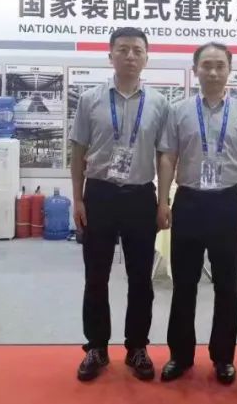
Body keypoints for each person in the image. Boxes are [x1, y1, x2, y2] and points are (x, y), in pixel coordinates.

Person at [70, 27, 170, 382]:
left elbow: (164, 156)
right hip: (99, 194)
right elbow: (78, 151)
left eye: (137, 50)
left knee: (141, 278)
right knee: (95, 276)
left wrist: (163, 201)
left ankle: (137, 347)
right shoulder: (90, 100)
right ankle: (96, 347)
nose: (130, 56)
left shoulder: (159, 103)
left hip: (140, 197)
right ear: (110, 55)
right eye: (123, 49)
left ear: (146, 58)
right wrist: (77, 198)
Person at [157, 42, 237, 386]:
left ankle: (223, 358)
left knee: (227, 286)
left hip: (226, 204)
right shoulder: (179, 111)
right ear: (195, 70)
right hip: (188, 202)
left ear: (229, 70)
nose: (213, 72)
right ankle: (180, 355)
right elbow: (168, 157)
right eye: (207, 65)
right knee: (184, 285)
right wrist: (163, 200)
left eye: (220, 65)